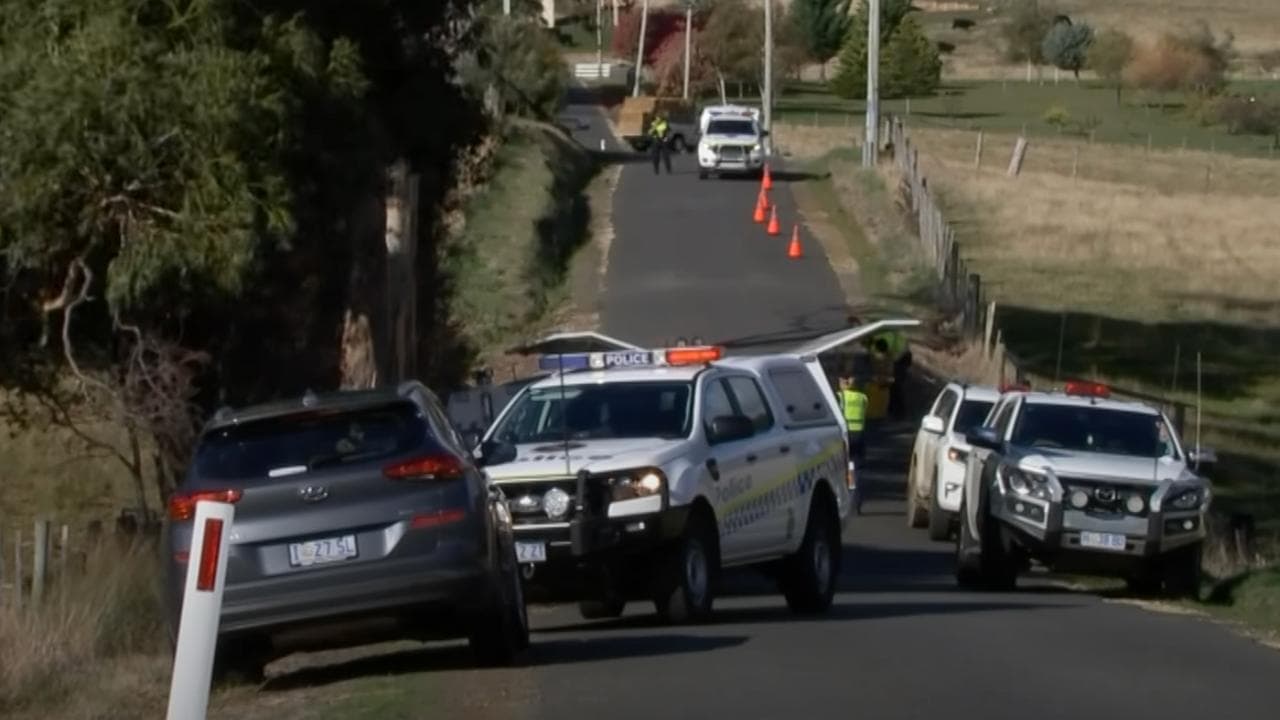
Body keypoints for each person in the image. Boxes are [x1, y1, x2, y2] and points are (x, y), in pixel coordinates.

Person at [838, 376, 868, 463]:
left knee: (845, 460)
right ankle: (855, 473)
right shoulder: (863, 397)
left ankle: (851, 473)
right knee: (856, 460)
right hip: (859, 432)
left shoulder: (839, 396)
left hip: (846, 432)